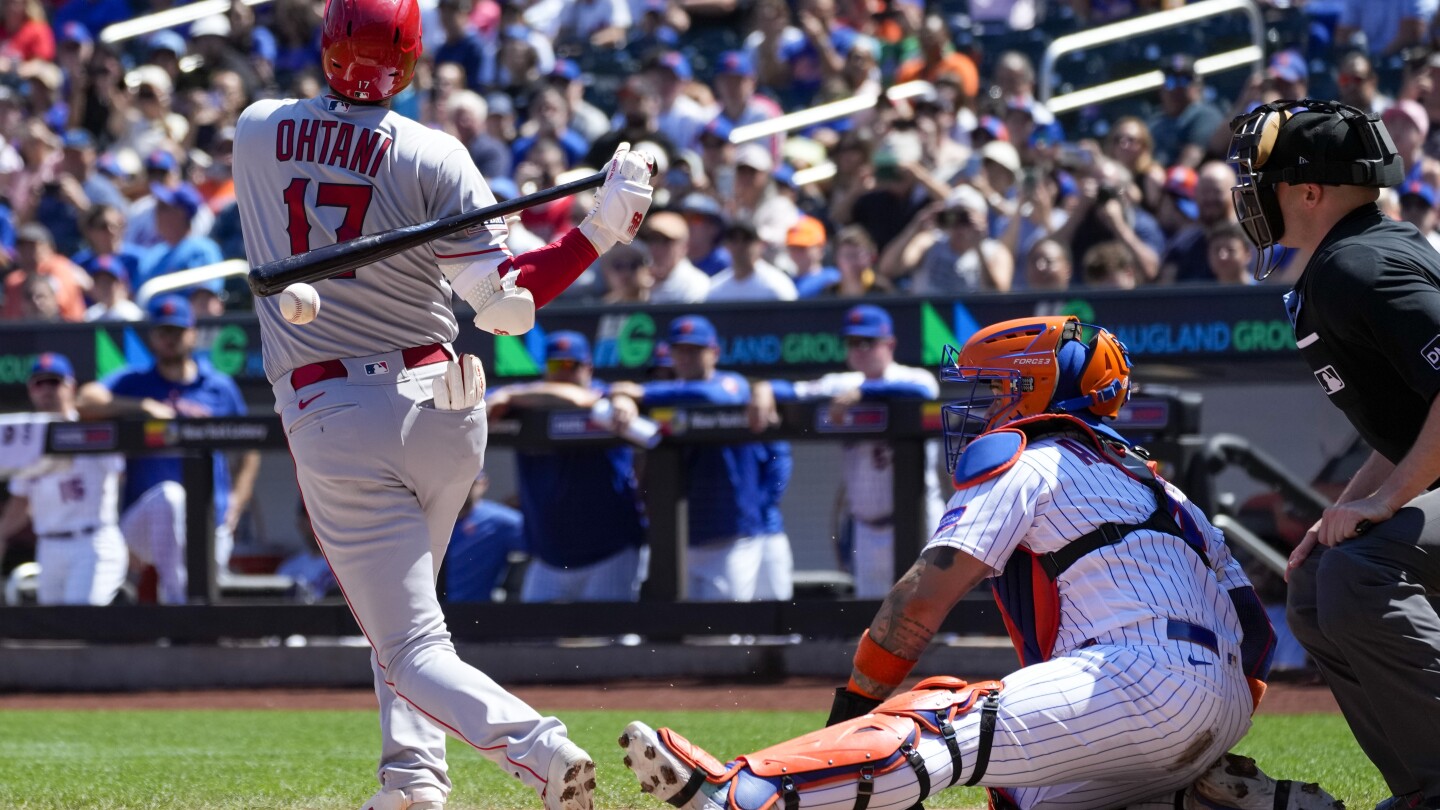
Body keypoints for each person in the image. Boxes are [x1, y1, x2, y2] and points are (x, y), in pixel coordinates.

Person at [618, 315, 1342, 810]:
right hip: (1221, 703)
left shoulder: (1028, 458)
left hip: (1140, 675)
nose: (980, 404)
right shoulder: (1156, 480)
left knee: (937, 716)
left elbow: (918, 606)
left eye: (993, 388)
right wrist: (1209, 718)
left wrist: (847, 718)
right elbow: (1255, 631)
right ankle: (1214, 799)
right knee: (1019, 795)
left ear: (1031, 389)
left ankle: (747, 793)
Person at [228, 0, 654, 804]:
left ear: (328, 47)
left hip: (333, 412)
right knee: (406, 618)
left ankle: (537, 747)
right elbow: (506, 310)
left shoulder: (255, 129)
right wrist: (598, 230)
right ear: (412, 60)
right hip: (446, 405)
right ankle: (413, 780)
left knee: (408, 640)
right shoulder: (436, 155)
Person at [1228, 98, 1440, 808]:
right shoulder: (1351, 258)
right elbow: (1411, 426)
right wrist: (1346, 507)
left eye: (1266, 180)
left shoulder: (1363, 264)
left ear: (1309, 191)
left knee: (1360, 572)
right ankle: (1420, 788)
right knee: (1320, 580)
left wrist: (1383, 504)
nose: (1250, 196)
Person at [76, 295, 260, 605]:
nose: (170, 339)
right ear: (152, 337)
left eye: (177, 331)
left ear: (192, 333)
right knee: (170, 497)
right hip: (145, 522)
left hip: (207, 517)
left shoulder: (217, 385)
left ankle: (188, 631)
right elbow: (84, 400)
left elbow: (250, 447)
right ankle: (176, 607)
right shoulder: (136, 381)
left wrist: (237, 502)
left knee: (206, 601)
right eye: (163, 332)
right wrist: (143, 405)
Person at [754, 305, 940, 598]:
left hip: (917, 522)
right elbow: (790, 391)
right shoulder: (842, 384)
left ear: (889, 344)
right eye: (852, 343)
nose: (859, 350)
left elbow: (925, 393)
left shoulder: (913, 377)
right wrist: (763, 388)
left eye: (867, 342)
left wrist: (866, 393)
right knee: (872, 615)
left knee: (926, 615)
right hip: (866, 528)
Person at [609, 315, 768, 601]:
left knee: (722, 632)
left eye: (694, 350)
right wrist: (623, 398)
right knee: (674, 632)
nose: (685, 357)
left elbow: (716, 397)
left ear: (714, 352)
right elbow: (606, 394)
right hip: (677, 536)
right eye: (679, 350)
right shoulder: (660, 394)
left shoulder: (731, 384)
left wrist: (640, 393)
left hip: (729, 536)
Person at [484, 332, 648, 603]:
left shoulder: (606, 397)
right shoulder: (523, 399)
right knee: (534, 641)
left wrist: (510, 394)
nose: (562, 373)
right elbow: (488, 399)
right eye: (554, 366)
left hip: (608, 552)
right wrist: (508, 395)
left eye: (570, 366)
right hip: (549, 557)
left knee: (608, 642)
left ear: (588, 368)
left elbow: (579, 398)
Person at [0, 354, 127, 606]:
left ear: (71, 387)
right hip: (49, 546)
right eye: (39, 383)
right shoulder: (26, 437)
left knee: (80, 619)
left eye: (54, 382)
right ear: (30, 390)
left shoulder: (92, 427)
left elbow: (120, 474)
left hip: (91, 539)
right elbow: (20, 502)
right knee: (56, 634)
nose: (47, 390)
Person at [443, 472, 525, 603]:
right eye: (456, 482)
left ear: (483, 483)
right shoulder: (424, 516)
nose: (461, 488)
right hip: (421, 610)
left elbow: (543, 544)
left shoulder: (498, 521)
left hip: (472, 612)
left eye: (469, 482)